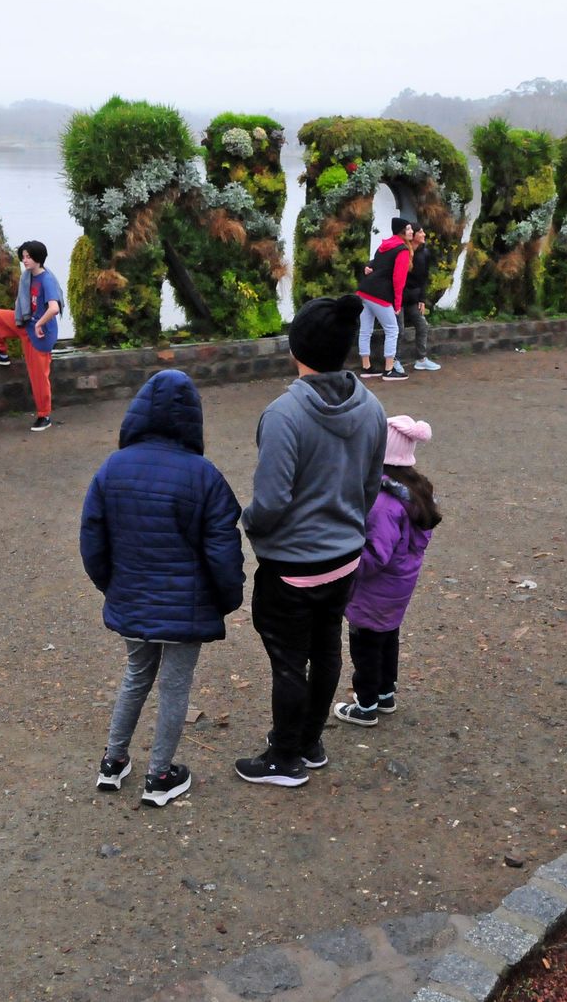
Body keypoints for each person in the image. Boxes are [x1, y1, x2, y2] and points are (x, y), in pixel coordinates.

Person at [235, 295, 388, 787]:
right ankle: (311, 740)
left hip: (292, 567)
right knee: (325, 650)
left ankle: (284, 758)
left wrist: (248, 522)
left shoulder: (284, 415)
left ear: (296, 347)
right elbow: (369, 488)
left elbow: (272, 502)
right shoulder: (373, 408)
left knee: (287, 661)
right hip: (344, 559)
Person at [81, 369, 245, 807]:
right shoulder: (204, 475)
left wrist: (112, 588)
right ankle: (159, 775)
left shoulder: (112, 467)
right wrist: (227, 599)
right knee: (175, 686)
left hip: (131, 597)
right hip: (185, 607)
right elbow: (224, 550)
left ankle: (113, 763)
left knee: (136, 674)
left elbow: (93, 540)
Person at [333, 415, 440, 727]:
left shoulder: (382, 503)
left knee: (365, 644)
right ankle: (385, 693)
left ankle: (365, 704)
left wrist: (345, 565)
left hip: (374, 589)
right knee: (388, 635)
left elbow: (375, 555)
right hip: (399, 584)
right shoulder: (416, 490)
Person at [0, 240, 63, 432]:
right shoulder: (28, 276)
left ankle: (44, 416)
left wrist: (40, 324)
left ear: (39, 258)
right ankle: (1, 354)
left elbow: (54, 308)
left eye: (28, 257)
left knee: (39, 377)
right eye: (23, 256)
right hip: (26, 322)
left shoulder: (47, 279)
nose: (24, 260)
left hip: (40, 333)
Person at [356, 217, 413, 382]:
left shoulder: (385, 245)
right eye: (408, 229)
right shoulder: (402, 250)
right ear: (401, 231)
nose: (411, 232)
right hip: (380, 295)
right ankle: (389, 370)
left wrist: (368, 268)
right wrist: (397, 303)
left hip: (365, 291)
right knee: (392, 330)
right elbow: (398, 279)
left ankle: (366, 367)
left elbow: (375, 264)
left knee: (365, 330)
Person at [403, 226, 442, 372]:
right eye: (420, 232)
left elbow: (424, 279)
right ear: (412, 235)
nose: (424, 234)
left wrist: (422, 300)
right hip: (398, 299)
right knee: (397, 330)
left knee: (422, 325)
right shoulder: (402, 251)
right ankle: (394, 362)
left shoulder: (425, 253)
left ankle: (421, 359)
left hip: (413, 299)